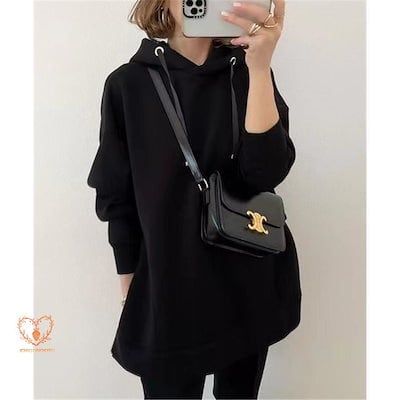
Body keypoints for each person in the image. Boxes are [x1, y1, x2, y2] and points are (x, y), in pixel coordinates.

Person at [87, 0, 302, 398]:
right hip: (169, 293)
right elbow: (117, 195)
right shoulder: (128, 85)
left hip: (248, 283)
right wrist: (130, 289)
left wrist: (259, 69)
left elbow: (266, 173)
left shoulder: (247, 73)